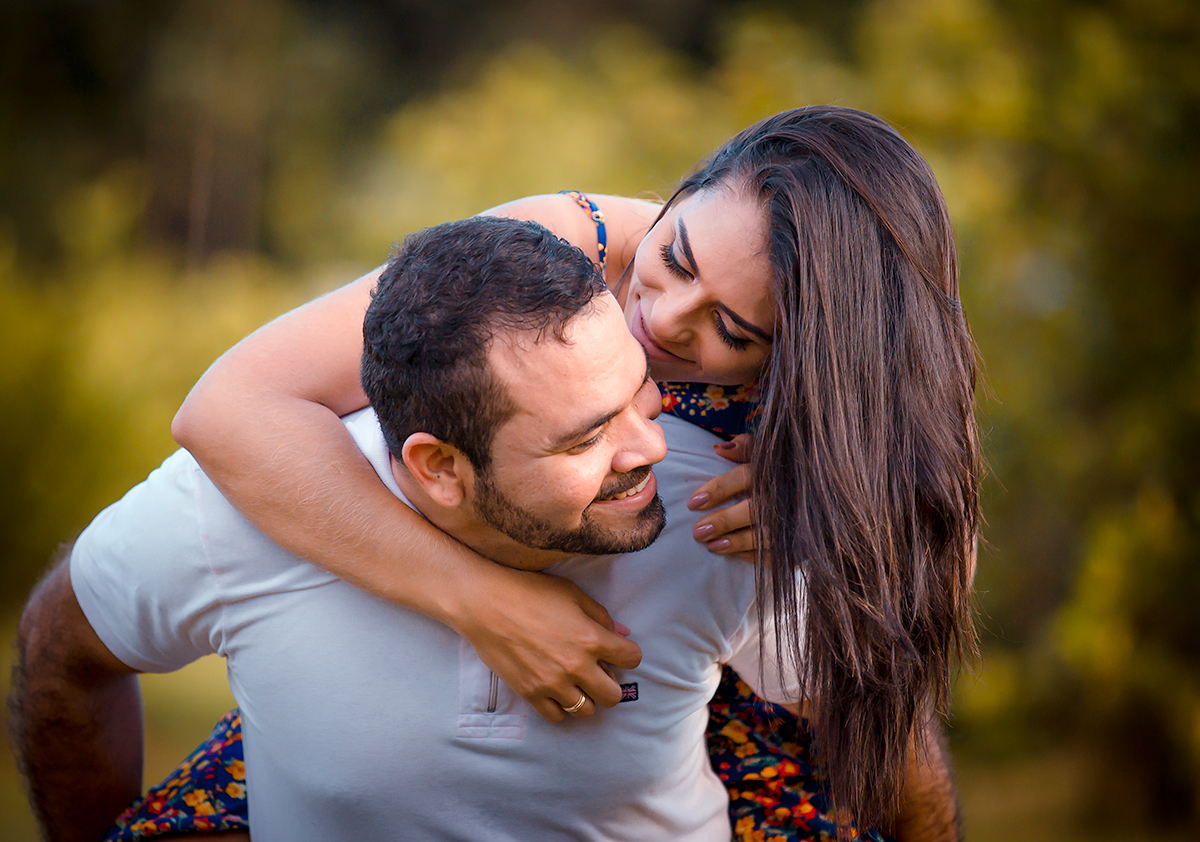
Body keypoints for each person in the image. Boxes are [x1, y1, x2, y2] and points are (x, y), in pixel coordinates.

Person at [144, 105, 980, 839]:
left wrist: (826, 496)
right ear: (684, 194)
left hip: (732, 701)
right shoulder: (557, 240)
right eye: (677, 258)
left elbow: (935, 567)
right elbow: (227, 407)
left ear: (814, 355)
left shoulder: (862, 384)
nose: (662, 318)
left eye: (732, 328)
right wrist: (482, 602)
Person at [12, 216, 813, 841]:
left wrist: (841, 515)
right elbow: (62, 650)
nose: (650, 445)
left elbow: (878, 715)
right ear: (438, 469)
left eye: (640, 394)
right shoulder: (247, 500)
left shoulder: (732, 507)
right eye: (581, 438)